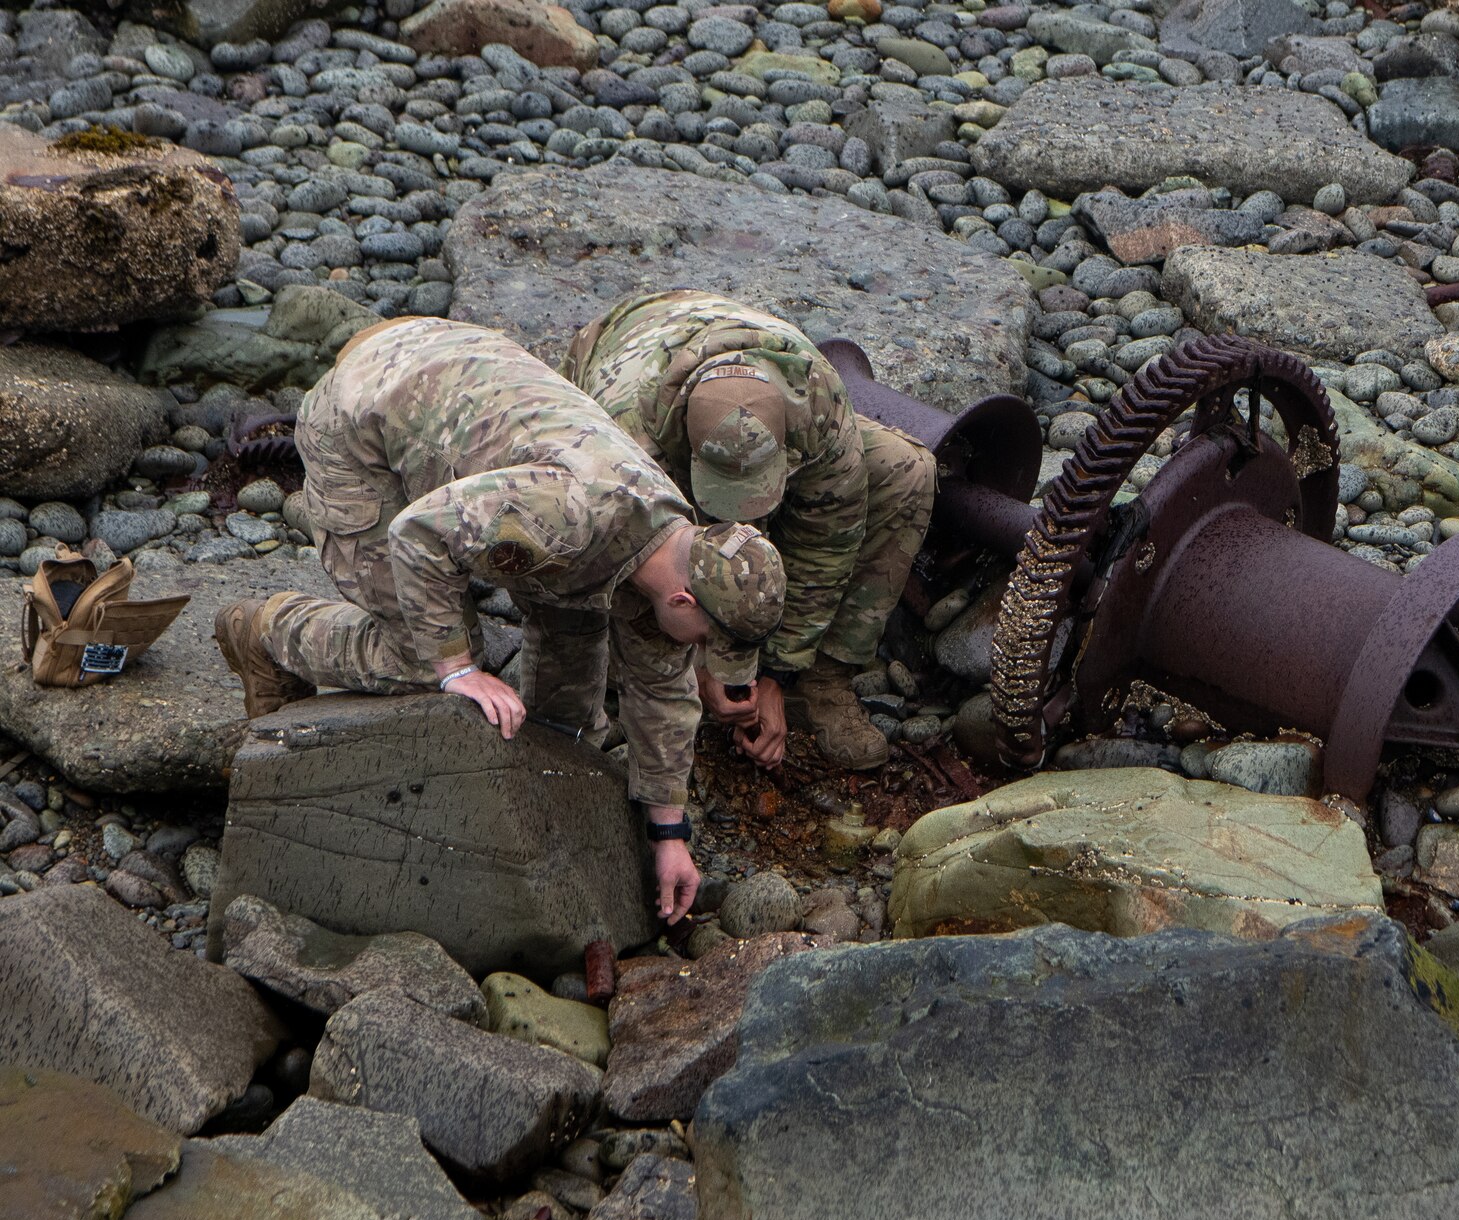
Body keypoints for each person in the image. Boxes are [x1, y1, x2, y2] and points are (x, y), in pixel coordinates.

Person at [211, 317, 785, 924]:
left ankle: (545, 752)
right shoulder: (571, 516)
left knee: (575, 631)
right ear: (685, 603)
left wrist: (669, 833)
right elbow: (420, 535)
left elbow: (662, 687)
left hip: (455, 375)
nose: (698, 657)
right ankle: (266, 630)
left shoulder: (676, 546)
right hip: (362, 420)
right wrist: (457, 669)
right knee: (418, 656)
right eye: (705, 643)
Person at [560, 290, 936, 771]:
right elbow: (626, 561)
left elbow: (826, 542)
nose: (738, 516)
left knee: (907, 469)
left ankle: (823, 680)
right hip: (628, 367)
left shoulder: (815, 400)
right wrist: (707, 667)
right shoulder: (627, 431)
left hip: (746, 376)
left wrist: (778, 671)